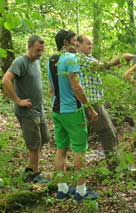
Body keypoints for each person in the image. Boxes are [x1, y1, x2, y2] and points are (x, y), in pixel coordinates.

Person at [48, 29, 98, 201]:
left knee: (61, 148)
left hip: (57, 110)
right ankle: (81, 191)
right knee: (79, 149)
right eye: (75, 40)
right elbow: (76, 87)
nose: (77, 43)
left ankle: (62, 189)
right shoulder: (70, 58)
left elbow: (50, 89)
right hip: (72, 111)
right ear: (65, 43)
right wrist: (89, 108)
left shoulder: (52, 59)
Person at [76, 35, 136, 169]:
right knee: (107, 132)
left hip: (96, 101)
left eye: (91, 44)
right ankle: (116, 167)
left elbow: (106, 68)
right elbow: (104, 66)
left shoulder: (88, 58)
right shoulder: (80, 58)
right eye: (88, 44)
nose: (91, 46)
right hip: (91, 102)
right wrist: (121, 58)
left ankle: (118, 165)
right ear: (78, 45)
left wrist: (122, 62)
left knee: (111, 131)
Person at [2, 35, 49, 183]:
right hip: (27, 112)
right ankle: (34, 174)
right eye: (37, 50)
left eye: (42, 50)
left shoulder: (36, 61)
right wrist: (17, 100)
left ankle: (30, 168)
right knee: (34, 143)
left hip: (39, 110)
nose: (39, 53)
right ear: (29, 47)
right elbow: (6, 80)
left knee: (44, 138)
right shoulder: (20, 62)